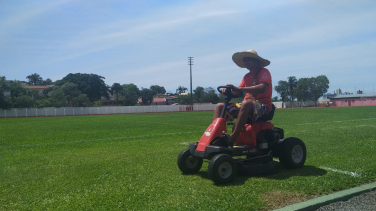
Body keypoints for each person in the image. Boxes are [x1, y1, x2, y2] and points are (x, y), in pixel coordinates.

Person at [213, 49, 273, 143]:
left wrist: (240, 89)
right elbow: (238, 92)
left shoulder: (264, 72)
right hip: (248, 105)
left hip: (263, 105)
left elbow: (262, 88)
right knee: (219, 106)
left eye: (248, 59)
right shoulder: (246, 76)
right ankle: (216, 136)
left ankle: (233, 137)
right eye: (245, 60)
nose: (246, 62)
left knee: (246, 103)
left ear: (256, 61)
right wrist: (229, 90)